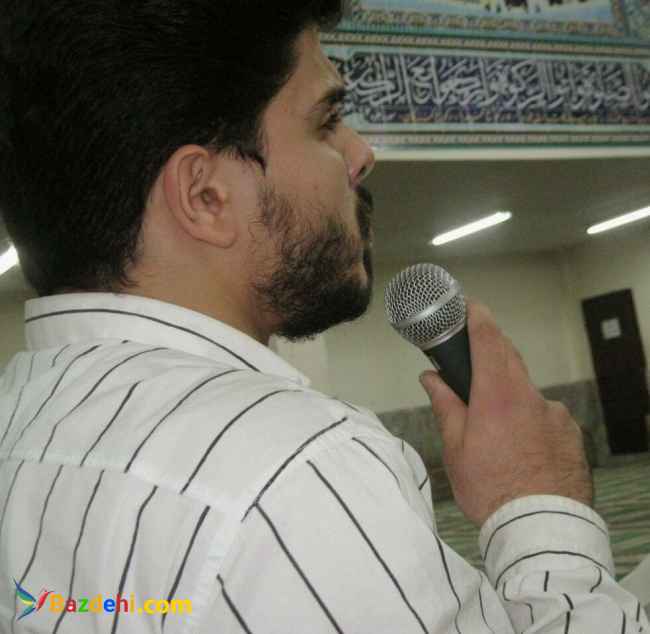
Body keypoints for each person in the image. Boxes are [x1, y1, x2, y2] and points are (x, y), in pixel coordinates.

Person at [0, 1, 646, 632]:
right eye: (326, 120)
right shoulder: (291, 475)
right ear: (205, 196)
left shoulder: (20, 423)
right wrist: (537, 504)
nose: (360, 152)